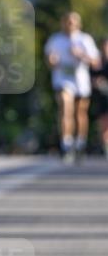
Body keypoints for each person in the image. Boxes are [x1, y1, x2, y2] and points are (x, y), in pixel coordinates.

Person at [44, 12, 100, 163]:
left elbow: (96, 62)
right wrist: (52, 61)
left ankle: (80, 143)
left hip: (81, 81)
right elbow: (49, 60)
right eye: (67, 22)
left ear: (78, 24)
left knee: (80, 113)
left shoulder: (85, 39)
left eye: (73, 22)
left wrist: (81, 55)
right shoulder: (55, 40)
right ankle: (66, 144)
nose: (70, 25)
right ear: (63, 23)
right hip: (63, 80)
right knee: (65, 108)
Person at [90, 37, 108, 159]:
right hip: (102, 97)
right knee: (103, 123)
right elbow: (91, 77)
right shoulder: (97, 63)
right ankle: (105, 147)